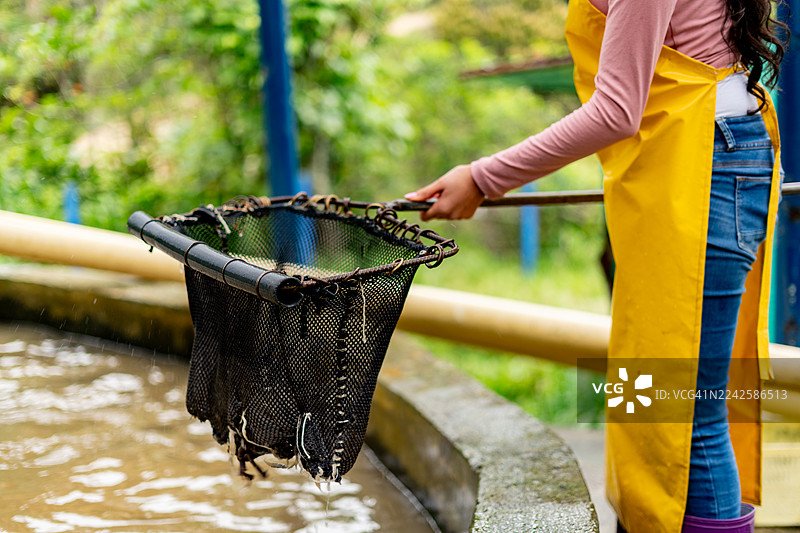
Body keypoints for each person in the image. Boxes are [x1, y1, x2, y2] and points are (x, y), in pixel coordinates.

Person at [405, 1, 786, 531]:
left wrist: (483, 177)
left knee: (684, 409)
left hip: (700, 163)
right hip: (688, 159)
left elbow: (616, 111)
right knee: (661, 396)